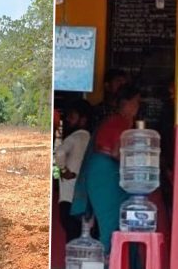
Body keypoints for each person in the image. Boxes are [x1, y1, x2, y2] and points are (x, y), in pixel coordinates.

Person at [76, 85, 141, 253]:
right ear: (125, 103)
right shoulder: (120, 121)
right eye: (135, 103)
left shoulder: (117, 120)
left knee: (115, 224)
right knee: (111, 225)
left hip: (103, 170)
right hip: (105, 171)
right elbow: (116, 152)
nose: (137, 107)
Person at [54, 100, 92, 242]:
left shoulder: (75, 136)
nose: (68, 120)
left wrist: (63, 170)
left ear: (82, 119)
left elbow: (59, 153)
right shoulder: (89, 138)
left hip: (68, 196)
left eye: (72, 116)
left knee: (70, 233)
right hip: (83, 197)